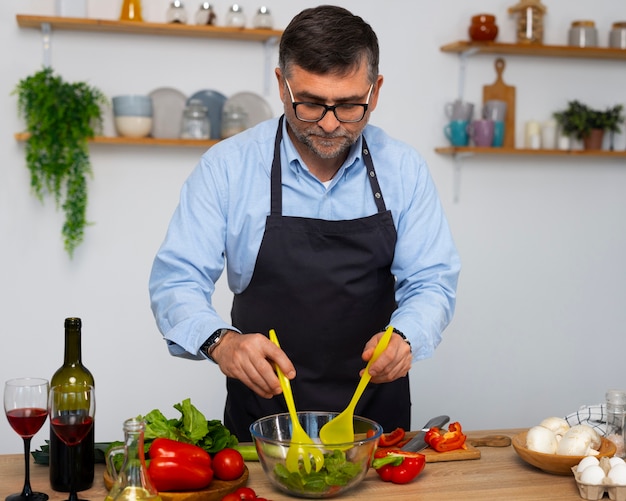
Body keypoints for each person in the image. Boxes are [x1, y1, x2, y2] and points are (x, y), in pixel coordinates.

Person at [149, 5, 460, 441]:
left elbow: (432, 280)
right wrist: (222, 342)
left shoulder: (403, 169)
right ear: (281, 84)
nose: (331, 124)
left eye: (351, 105)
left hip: (375, 418)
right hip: (262, 420)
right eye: (311, 103)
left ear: (376, 90)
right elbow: (176, 280)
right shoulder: (228, 167)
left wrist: (407, 336)